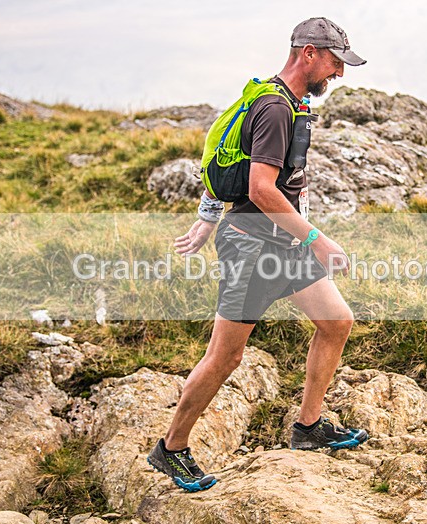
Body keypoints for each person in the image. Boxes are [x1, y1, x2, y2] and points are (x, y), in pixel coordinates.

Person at [146, 17, 368, 493]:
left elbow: (249, 169)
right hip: (252, 247)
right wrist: (318, 240)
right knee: (225, 357)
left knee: (336, 321)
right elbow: (261, 190)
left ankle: (308, 428)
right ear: (308, 53)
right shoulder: (273, 107)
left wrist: (209, 214)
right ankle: (171, 449)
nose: (339, 74)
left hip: (284, 244)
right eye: (334, 62)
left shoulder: (291, 101)